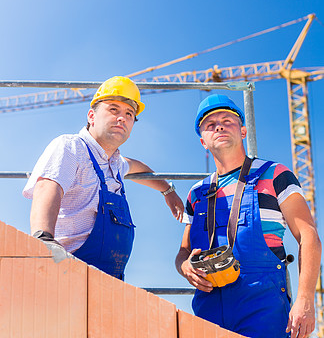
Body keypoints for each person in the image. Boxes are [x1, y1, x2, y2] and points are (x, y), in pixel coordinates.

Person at [175, 94, 321, 338]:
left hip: (264, 309)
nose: (219, 126)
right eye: (210, 124)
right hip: (208, 309)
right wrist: (185, 266)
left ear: (243, 131)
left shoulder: (274, 174)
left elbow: (309, 237)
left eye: (227, 120)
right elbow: (183, 252)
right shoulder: (196, 193)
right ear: (203, 141)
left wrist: (305, 300)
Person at [23, 76, 184, 279]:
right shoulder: (71, 147)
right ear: (91, 116)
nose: (121, 118)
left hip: (109, 282)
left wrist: (167, 190)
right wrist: (43, 239)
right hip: (66, 271)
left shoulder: (117, 164)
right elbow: (48, 186)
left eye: (129, 114)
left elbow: (140, 168)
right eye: (113, 109)